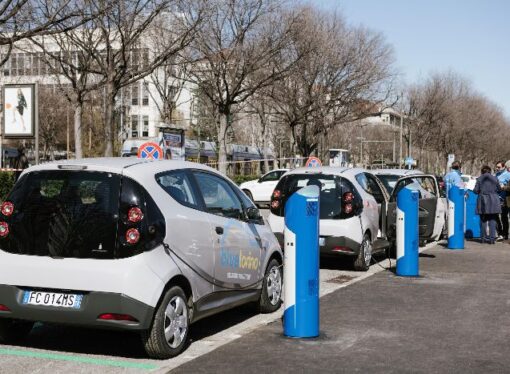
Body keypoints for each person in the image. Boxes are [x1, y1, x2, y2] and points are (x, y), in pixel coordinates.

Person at [474, 165, 501, 244]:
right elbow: (499, 189)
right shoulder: (495, 178)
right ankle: (492, 239)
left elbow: (476, 190)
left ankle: (483, 238)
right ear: (490, 171)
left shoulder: (479, 179)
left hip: (483, 201)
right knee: (492, 220)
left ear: (482, 171)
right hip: (493, 201)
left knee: (483, 220)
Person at [494, 161, 510, 240]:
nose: (497, 168)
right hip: (495, 198)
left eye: (499, 167)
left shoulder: (508, 175)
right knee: (496, 216)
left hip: (504, 199)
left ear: (504, 167)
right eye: (496, 167)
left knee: (504, 217)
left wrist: (504, 187)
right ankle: (500, 233)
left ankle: (505, 234)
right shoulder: (496, 174)